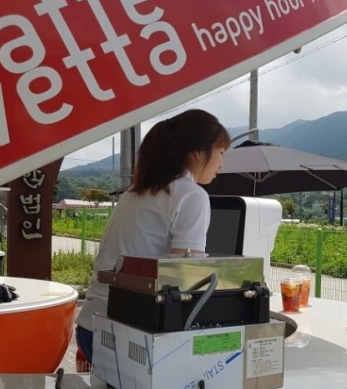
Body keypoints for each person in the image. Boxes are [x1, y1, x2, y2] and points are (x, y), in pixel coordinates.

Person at [75, 109, 231, 363]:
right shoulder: (191, 194)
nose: (222, 164)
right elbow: (185, 278)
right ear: (199, 152)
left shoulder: (134, 192)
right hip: (131, 333)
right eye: (221, 153)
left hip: (91, 325)